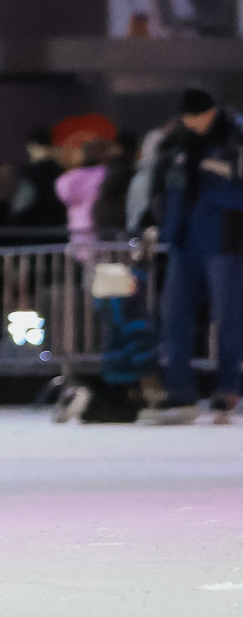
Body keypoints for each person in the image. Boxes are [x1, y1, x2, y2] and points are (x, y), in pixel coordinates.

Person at [136, 89, 243, 424]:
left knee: (228, 318)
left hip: (226, 239)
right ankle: (179, 390)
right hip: (185, 239)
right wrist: (153, 222)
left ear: (209, 113)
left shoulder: (234, 140)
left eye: (194, 115)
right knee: (174, 316)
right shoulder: (177, 144)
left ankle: (227, 388)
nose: (189, 122)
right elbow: (161, 187)